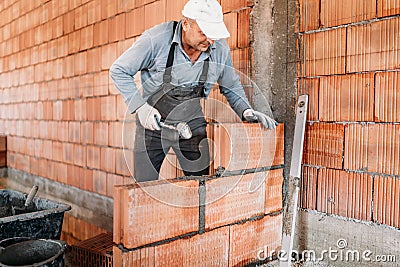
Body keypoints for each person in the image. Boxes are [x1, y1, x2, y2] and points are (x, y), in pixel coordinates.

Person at [110, 0, 277, 182]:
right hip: (153, 124)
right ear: (186, 24)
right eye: (204, 33)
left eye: (214, 34)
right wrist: (141, 108)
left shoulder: (218, 48)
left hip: (192, 124)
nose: (211, 40)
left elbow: (231, 86)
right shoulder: (155, 40)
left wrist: (246, 111)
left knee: (200, 186)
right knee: (145, 186)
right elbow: (119, 70)